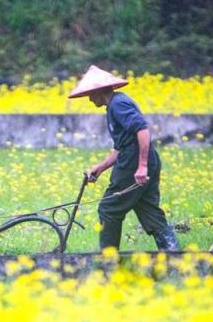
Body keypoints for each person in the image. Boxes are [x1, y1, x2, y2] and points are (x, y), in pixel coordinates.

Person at [69, 65, 180, 252]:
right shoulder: (114, 106)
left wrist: (142, 166)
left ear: (98, 90)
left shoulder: (118, 104)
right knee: (148, 209)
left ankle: (108, 258)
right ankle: (172, 253)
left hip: (134, 163)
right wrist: (101, 167)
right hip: (140, 159)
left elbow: (143, 130)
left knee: (109, 208)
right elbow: (122, 147)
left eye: (90, 94)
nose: (89, 99)